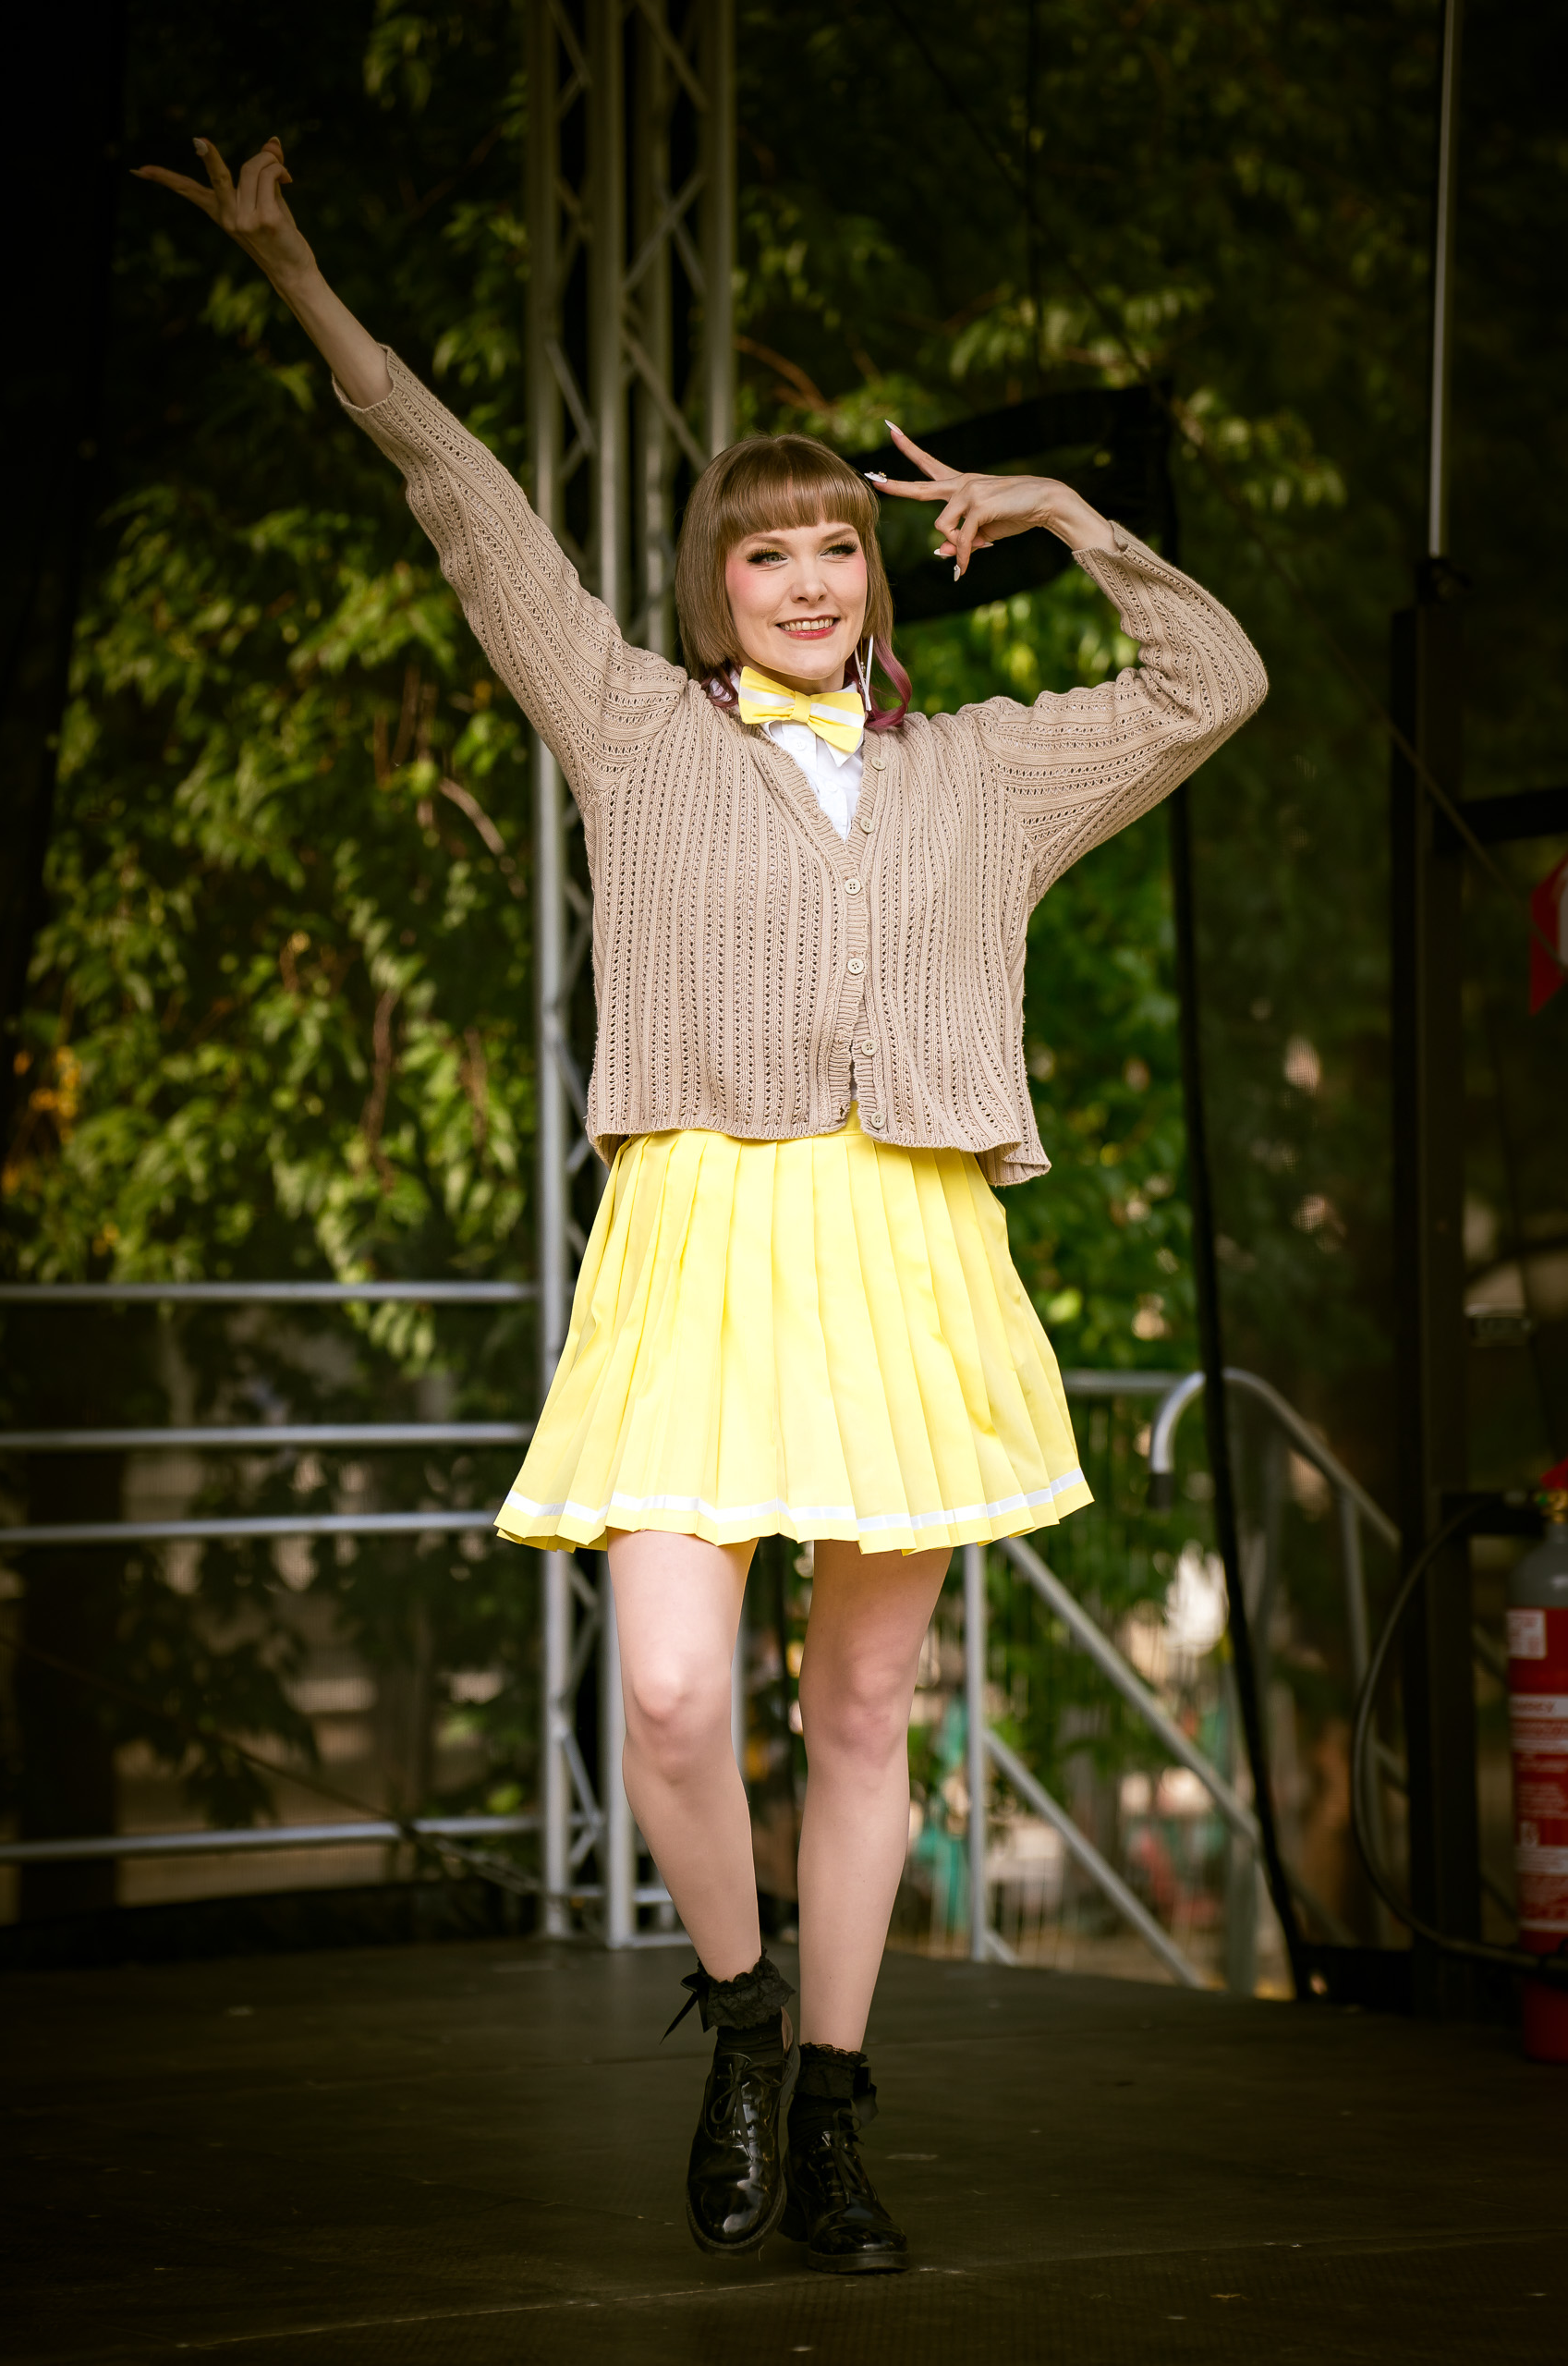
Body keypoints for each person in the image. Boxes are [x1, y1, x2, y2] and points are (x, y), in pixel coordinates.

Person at [138, 134, 1267, 2275]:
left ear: (877, 574)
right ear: (710, 584)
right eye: (767, 552)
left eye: (837, 543)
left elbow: (1212, 687)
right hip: (697, 1244)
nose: (809, 578)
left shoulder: (978, 771)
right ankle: (739, 2013)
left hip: (902, 1249)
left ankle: (832, 2101)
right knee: (668, 1690)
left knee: (856, 1713)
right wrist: (294, 273)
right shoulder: (633, 730)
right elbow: (464, 496)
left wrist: (1067, 514)